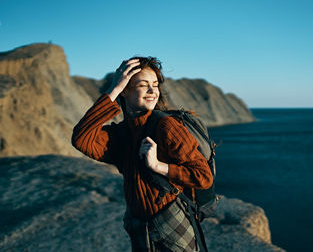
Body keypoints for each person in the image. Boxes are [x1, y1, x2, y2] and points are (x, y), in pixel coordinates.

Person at [71, 56, 213, 251]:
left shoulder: (167, 126)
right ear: (125, 90)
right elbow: (81, 138)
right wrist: (114, 89)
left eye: (155, 85)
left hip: (170, 226)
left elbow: (203, 177)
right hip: (138, 228)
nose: (152, 91)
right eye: (143, 85)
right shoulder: (121, 133)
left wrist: (158, 166)